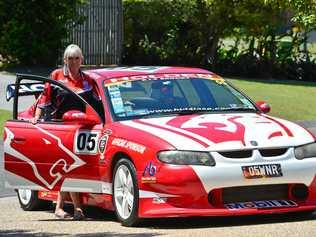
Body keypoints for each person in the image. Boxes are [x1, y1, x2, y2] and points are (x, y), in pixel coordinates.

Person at [32, 44, 97, 220]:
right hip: (59, 127)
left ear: (82, 60)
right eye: (70, 58)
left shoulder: (88, 80)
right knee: (69, 165)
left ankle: (62, 207)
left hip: (82, 128)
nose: (73, 62)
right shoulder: (56, 75)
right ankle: (76, 208)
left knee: (71, 166)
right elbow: (44, 97)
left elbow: (96, 103)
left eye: (77, 58)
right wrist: (36, 116)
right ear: (64, 60)